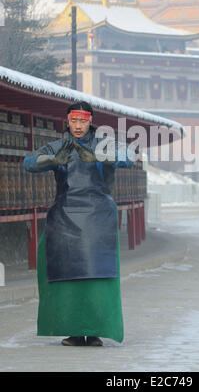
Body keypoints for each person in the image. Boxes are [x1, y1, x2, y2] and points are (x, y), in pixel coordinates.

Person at [24, 101, 134, 347]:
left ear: (90, 122)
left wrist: (99, 156)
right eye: (74, 120)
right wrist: (51, 160)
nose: (78, 126)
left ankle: (95, 330)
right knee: (66, 276)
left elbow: (129, 156)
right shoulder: (58, 146)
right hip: (65, 215)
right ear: (67, 121)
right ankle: (72, 330)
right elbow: (28, 162)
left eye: (83, 121)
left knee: (97, 277)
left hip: (98, 217)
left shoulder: (104, 143)